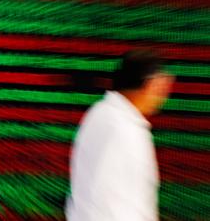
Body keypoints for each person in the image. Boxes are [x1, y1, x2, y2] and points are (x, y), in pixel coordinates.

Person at [66, 49, 174, 220]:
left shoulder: (100, 114)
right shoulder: (124, 128)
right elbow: (111, 201)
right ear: (150, 84)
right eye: (163, 84)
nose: (164, 94)